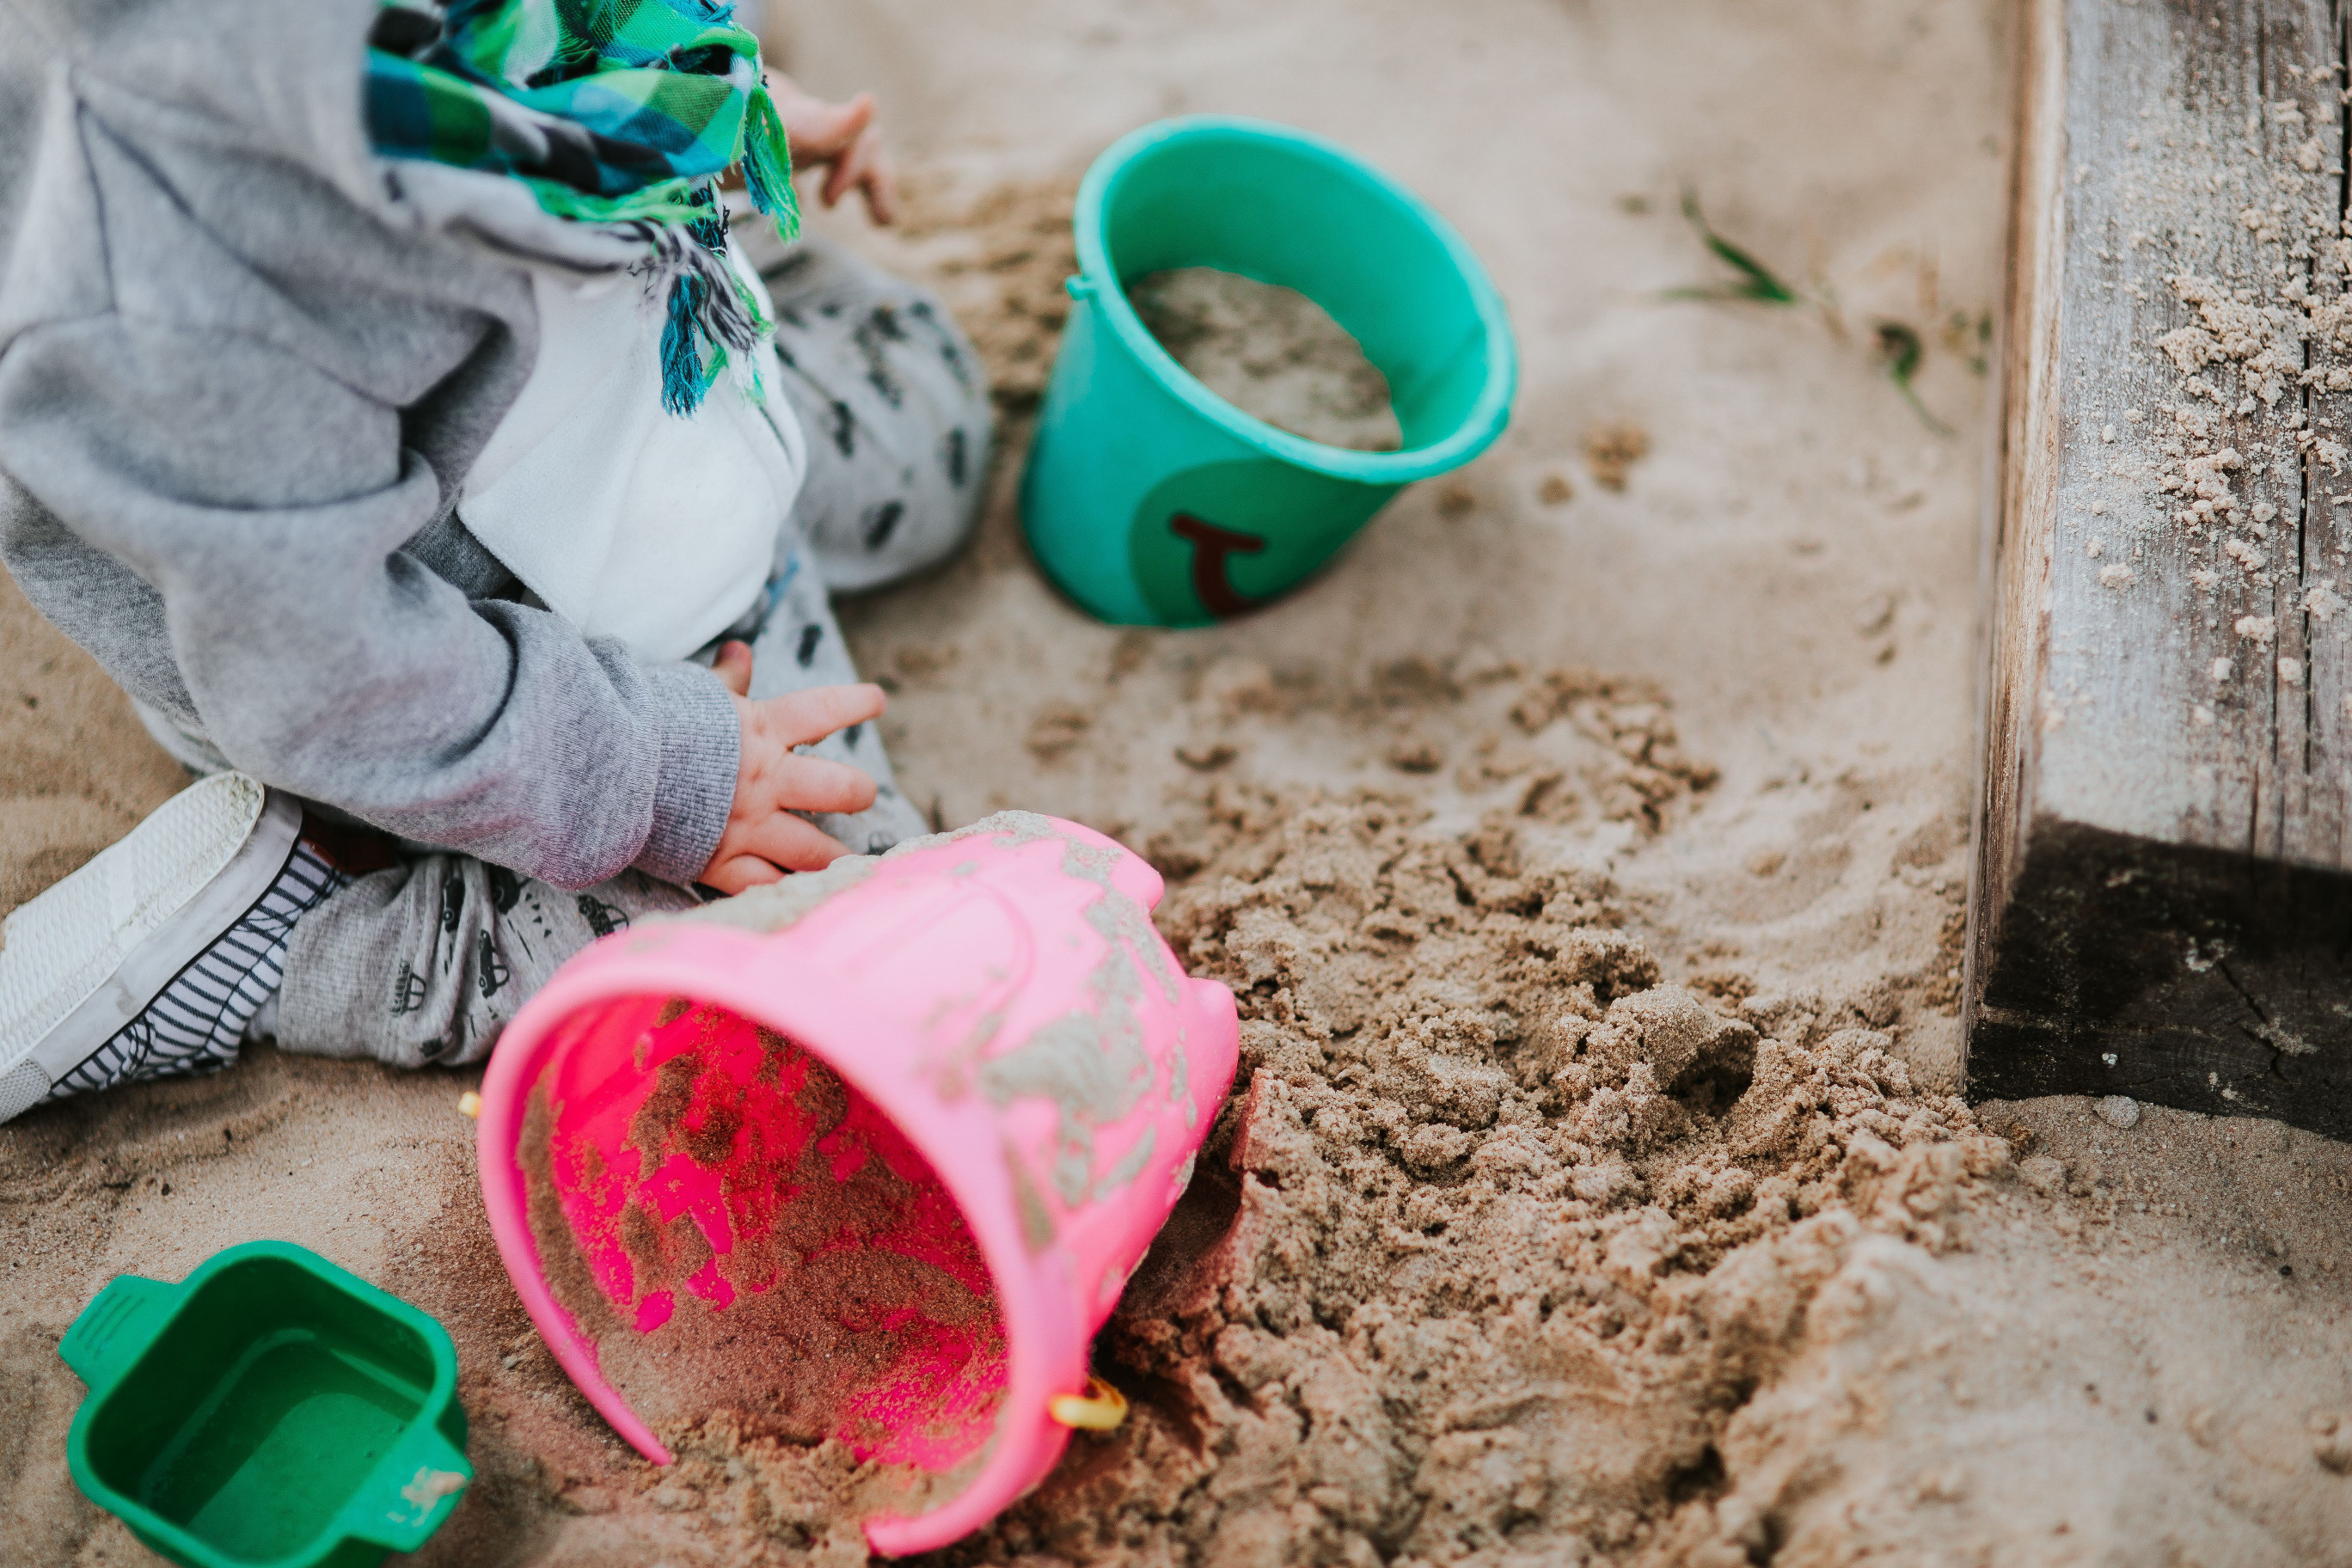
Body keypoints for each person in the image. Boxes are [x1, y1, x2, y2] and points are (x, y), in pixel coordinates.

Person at [0, 0, 989, 1122]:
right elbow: (328, 678)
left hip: (642, 402)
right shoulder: (173, 279)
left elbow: (569, 41)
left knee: (937, 415)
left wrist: (708, 111)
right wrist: (666, 777)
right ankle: (302, 933)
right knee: (842, 915)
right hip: (491, 670)